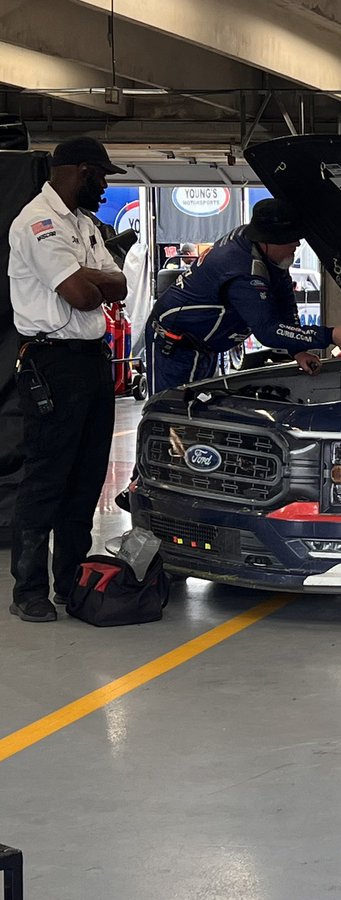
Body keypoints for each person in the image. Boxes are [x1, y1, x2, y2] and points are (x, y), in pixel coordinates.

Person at [7, 136, 128, 622]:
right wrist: (92, 277)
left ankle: (71, 581)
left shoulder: (83, 224)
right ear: (81, 171)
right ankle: (29, 590)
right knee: (46, 479)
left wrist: (92, 276)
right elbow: (81, 295)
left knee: (85, 478)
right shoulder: (37, 222)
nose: (104, 187)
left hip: (91, 360)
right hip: (52, 361)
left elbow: (117, 283)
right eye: (101, 177)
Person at [144, 197, 341, 396]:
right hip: (174, 345)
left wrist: (298, 350)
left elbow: (286, 304)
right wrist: (333, 335)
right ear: (270, 240)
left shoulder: (262, 250)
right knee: (175, 412)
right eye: (291, 239)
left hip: (203, 345)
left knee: (197, 408)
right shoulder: (241, 269)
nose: (297, 244)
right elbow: (268, 331)